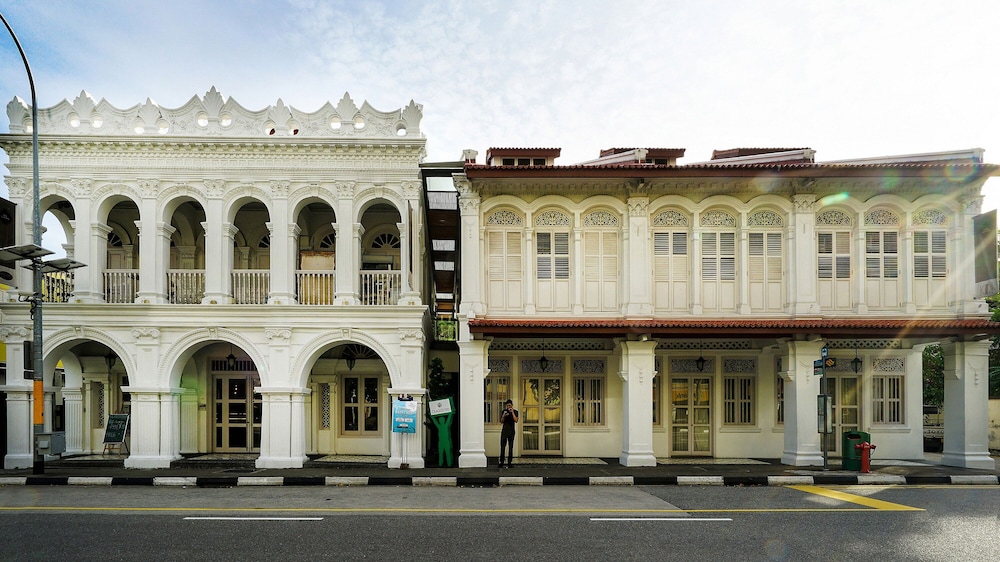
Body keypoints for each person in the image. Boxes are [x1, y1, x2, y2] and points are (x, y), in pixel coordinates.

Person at [498, 399, 518, 468]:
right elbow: (501, 421)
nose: (508, 407)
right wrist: (503, 416)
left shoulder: (515, 412)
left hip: (511, 431)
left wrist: (512, 413)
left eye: (509, 405)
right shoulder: (504, 411)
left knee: (510, 447)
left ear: (512, 405)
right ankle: (501, 462)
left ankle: (510, 462)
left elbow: (516, 420)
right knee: (502, 447)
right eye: (507, 406)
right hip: (505, 431)